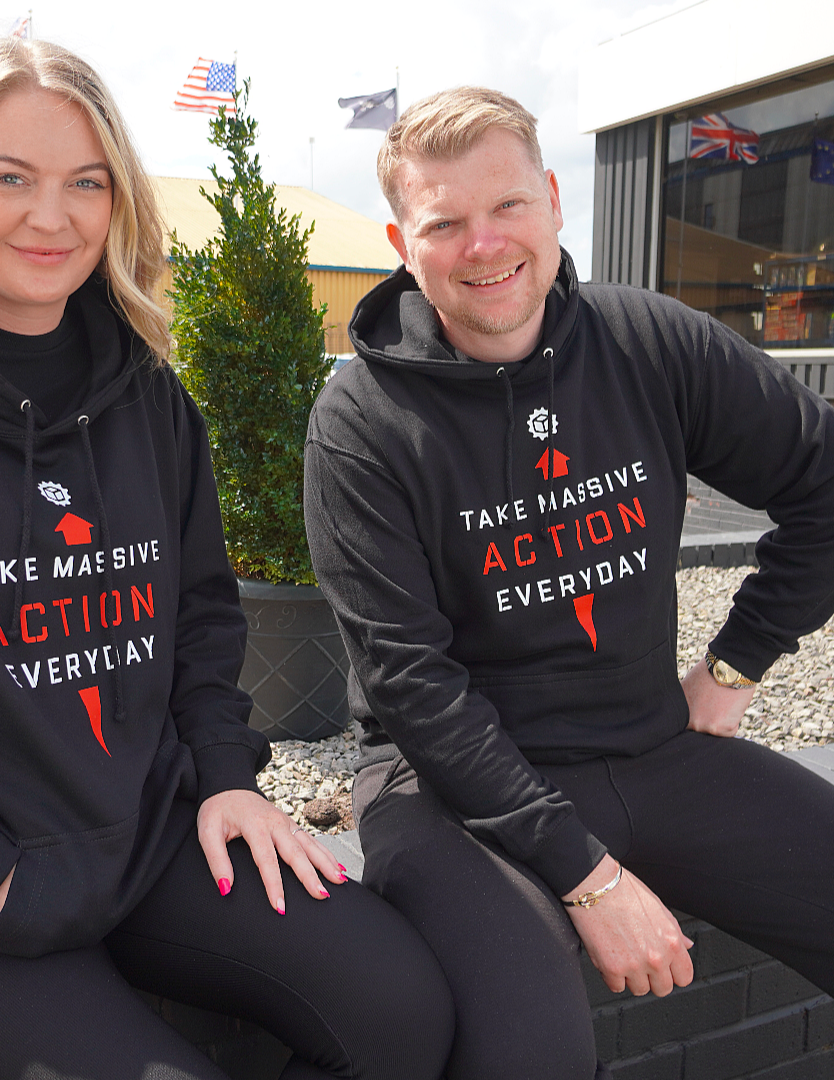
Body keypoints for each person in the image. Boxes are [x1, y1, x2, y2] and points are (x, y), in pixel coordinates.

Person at [0, 38, 455, 1080]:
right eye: (11, 177)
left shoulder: (148, 397)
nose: (53, 215)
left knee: (401, 1011)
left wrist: (226, 779)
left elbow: (203, 617)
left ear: (118, 202)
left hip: (140, 846)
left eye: (87, 182)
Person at [303, 85, 834, 1080]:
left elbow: (823, 482)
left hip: (650, 749)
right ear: (403, 244)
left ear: (552, 200)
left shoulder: (647, 342)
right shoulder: (361, 424)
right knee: (531, 1043)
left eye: (508, 204)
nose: (484, 244)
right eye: (445, 223)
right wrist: (590, 880)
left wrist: (737, 663)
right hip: (445, 792)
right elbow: (415, 687)